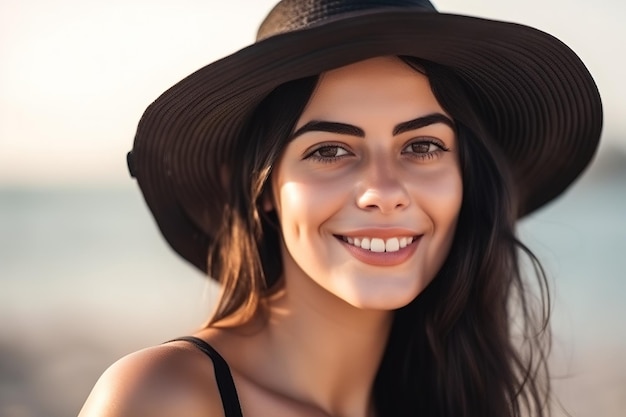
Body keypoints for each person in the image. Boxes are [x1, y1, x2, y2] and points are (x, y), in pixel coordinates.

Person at [78, 1, 603, 416]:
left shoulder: (457, 398)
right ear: (262, 190)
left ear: (466, 176)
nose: (383, 190)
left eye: (422, 146)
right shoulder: (164, 398)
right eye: (329, 150)